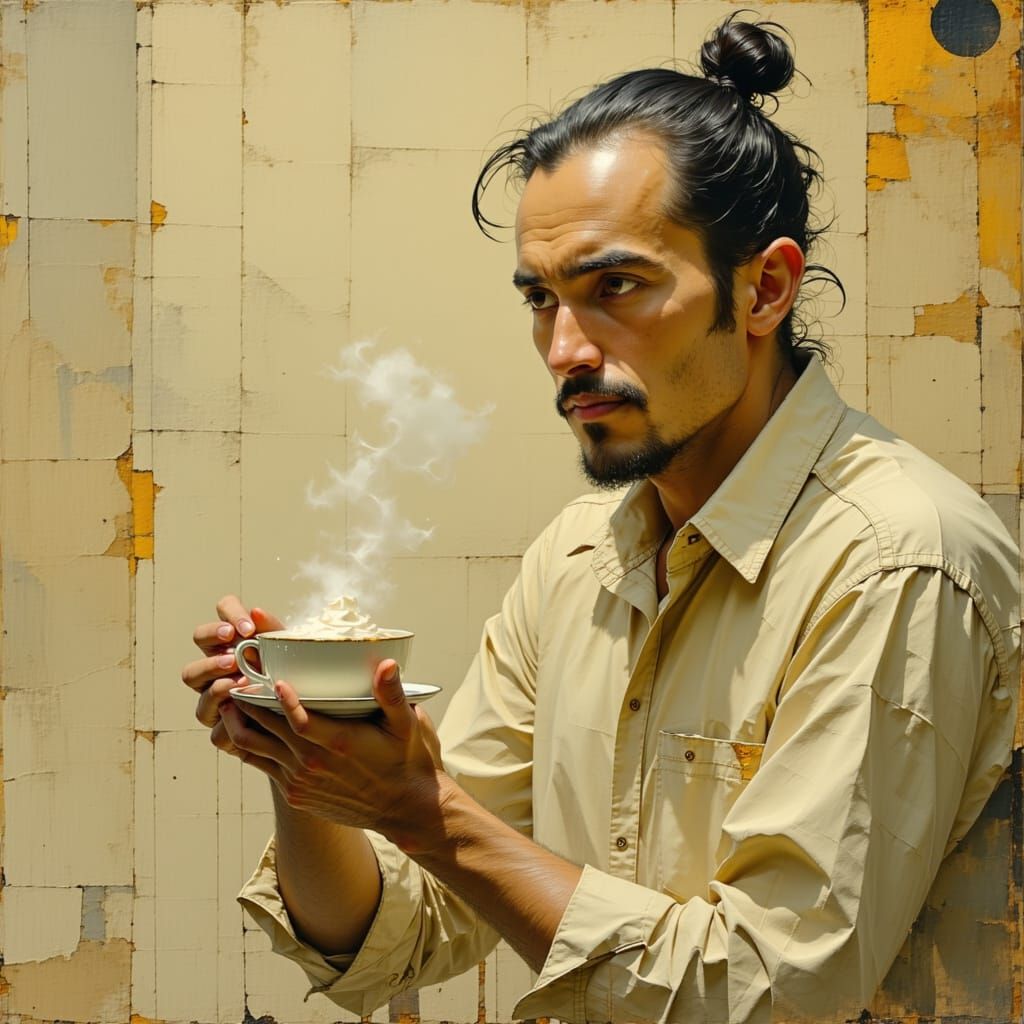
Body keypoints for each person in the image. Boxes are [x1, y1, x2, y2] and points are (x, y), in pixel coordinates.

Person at [181, 16, 1019, 1022]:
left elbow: (772, 995)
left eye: (615, 286)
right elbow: (400, 935)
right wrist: (308, 760)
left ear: (764, 288)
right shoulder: (581, 558)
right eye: (541, 298)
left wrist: (422, 812)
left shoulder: (898, 560)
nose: (565, 349)